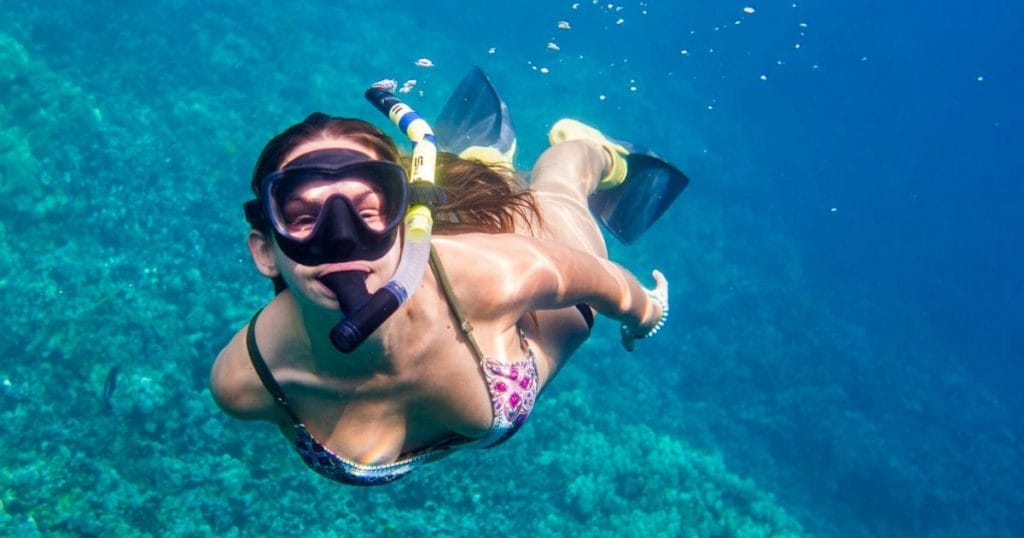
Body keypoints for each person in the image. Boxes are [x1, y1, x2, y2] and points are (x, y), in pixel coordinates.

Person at [210, 78, 683, 485]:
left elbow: (608, 282)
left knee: (559, 189)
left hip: (545, 273)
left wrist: (646, 313)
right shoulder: (245, 383)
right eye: (303, 217)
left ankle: (588, 149)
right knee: (489, 181)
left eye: (368, 211)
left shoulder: (499, 275)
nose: (340, 240)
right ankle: (482, 164)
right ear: (265, 251)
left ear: (409, 219)